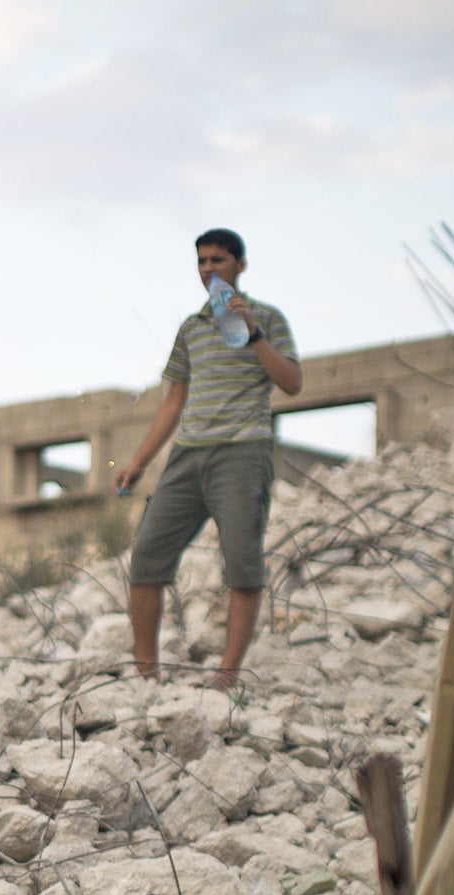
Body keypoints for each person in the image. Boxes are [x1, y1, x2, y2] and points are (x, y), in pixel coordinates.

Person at [113, 227, 302, 690]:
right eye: (201, 262)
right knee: (147, 558)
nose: (208, 270)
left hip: (242, 452)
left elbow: (292, 382)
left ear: (239, 265)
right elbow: (173, 401)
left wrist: (253, 332)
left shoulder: (268, 318)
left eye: (217, 260)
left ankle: (227, 673)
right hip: (187, 454)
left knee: (241, 562)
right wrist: (138, 461)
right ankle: (145, 671)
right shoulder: (191, 328)